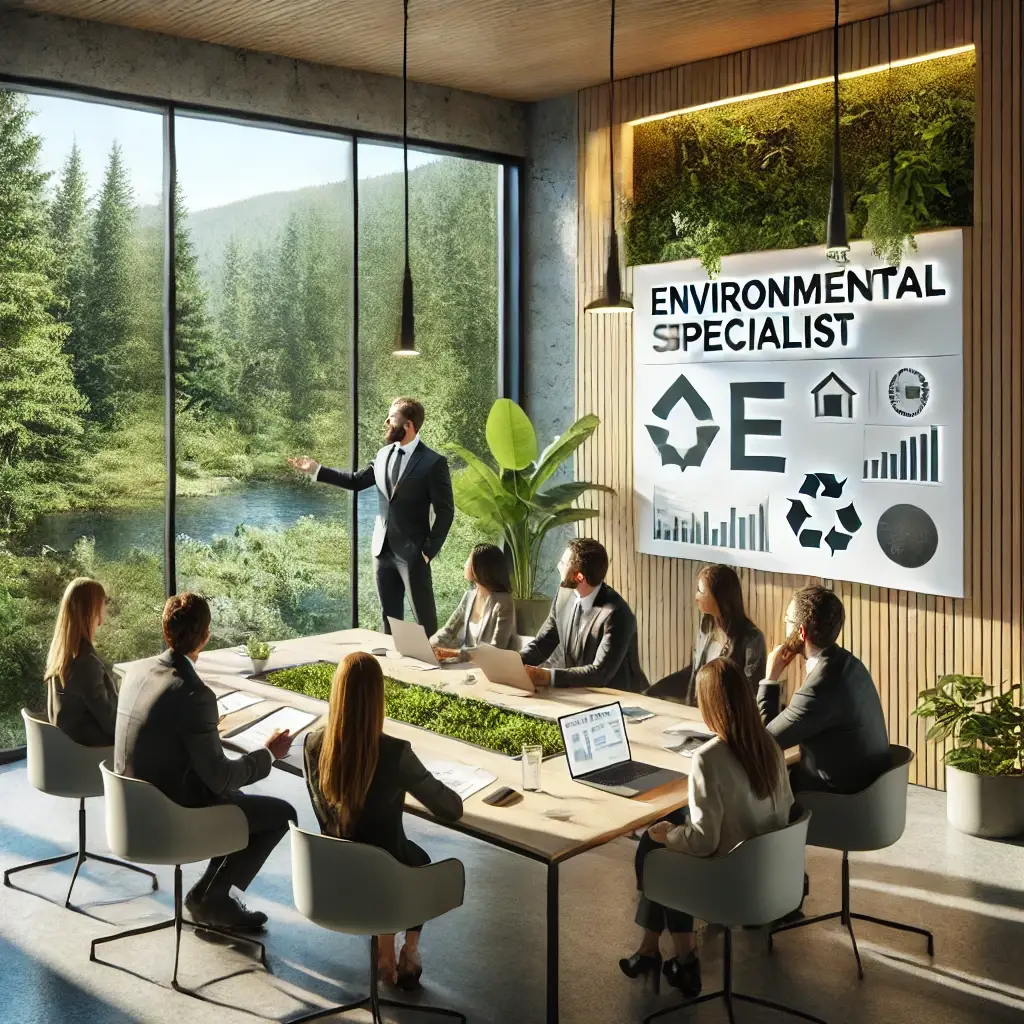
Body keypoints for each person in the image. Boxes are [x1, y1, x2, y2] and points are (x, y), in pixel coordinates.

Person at [115, 592, 296, 932]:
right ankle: (212, 899)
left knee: (237, 802)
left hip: (131, 811)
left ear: (165, 630)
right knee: (280, 814)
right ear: (206, 635)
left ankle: (208, 897)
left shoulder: (135, 673)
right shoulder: (195, 695)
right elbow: (221, 778)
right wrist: (270, 752)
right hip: (172, 820)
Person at [622, 657, 794, 999]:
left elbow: (702, 843)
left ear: (709, 706)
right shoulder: (770, 747)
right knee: (667, 843)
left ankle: (686, 959)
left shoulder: (708, 758)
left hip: (730, 882)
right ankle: (649, 950)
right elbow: (787, 809)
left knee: (656, 849)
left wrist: (665, 836)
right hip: (773, 876)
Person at [304, 651, 463, 990]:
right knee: (416, 861)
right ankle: (410, 949)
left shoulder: (313, 743)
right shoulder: (394, 753)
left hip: (332, 879)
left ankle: (386, 949)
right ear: (379, 698)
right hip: (385, 882)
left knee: (397, 853)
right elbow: (451, 809)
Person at [288, 397, 454, 637]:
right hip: (381, 551)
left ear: (408, 425)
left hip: (414, 554)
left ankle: (432, 667)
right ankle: (392, 668)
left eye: (392, 417)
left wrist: (428, 551)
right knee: (389, 619)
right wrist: (316, 469)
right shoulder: (383, 454)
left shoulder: (433, 462)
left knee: (424, 620)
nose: (386, 421)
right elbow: (356, 481)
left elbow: (446, 511)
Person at [758, 585, 890, 795]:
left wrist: (770, 679)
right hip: (872, 795)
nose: (785, 625)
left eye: (787, 620)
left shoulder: (818, 689)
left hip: (837, 802)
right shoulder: (850, 664)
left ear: (800, 632)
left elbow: (762, 745)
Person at [520, 538, 648, 692]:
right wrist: (515, 662)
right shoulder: (564, 595)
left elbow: (600, 673)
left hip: (617, 700)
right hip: (577, 692)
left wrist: (548, 677)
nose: (557, 567)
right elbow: (543, 643)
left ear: (579, 577)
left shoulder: (616, 614)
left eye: (563, 563)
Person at [647, 564, 766, 705]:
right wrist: (655, 691)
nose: (696, 596)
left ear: (720, 597)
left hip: (727, 719)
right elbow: (695, 671)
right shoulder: (706, 626)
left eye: (700, 591)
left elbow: (750, 692)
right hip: (695, 712)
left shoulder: (752, 639)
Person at [45, 577, 118, 747]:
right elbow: (113, 725)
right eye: (102, 603)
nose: (104, 608)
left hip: (68, 753)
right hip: (91, 757)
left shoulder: (59, 657)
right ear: (92, 610)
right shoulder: (86, 664)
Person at [431, 543, 518, 660]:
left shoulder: (503, 602)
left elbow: (496, 649)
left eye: (469, 561)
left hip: (489, 669)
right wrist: (430, 645)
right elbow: (449, 630)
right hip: (465, 664)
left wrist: (454, 653)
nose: (465, 564)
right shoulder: (470, 596)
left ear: (481, 568)